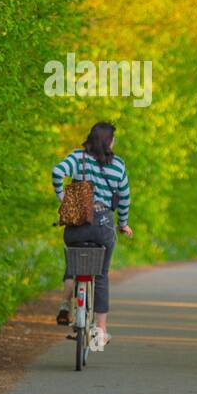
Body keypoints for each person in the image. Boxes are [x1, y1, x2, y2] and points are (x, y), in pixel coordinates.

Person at [52, 121, 133, 347]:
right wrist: (123, 223)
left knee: (75, 263)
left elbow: (57, 172)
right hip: (104, 225)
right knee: (101, 275)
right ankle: (100, 330)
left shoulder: (78, 158)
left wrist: (63, 198)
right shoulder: (118, 165)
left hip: (77, 224)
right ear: (110, 142)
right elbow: (125, 198)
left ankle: (68, 304)